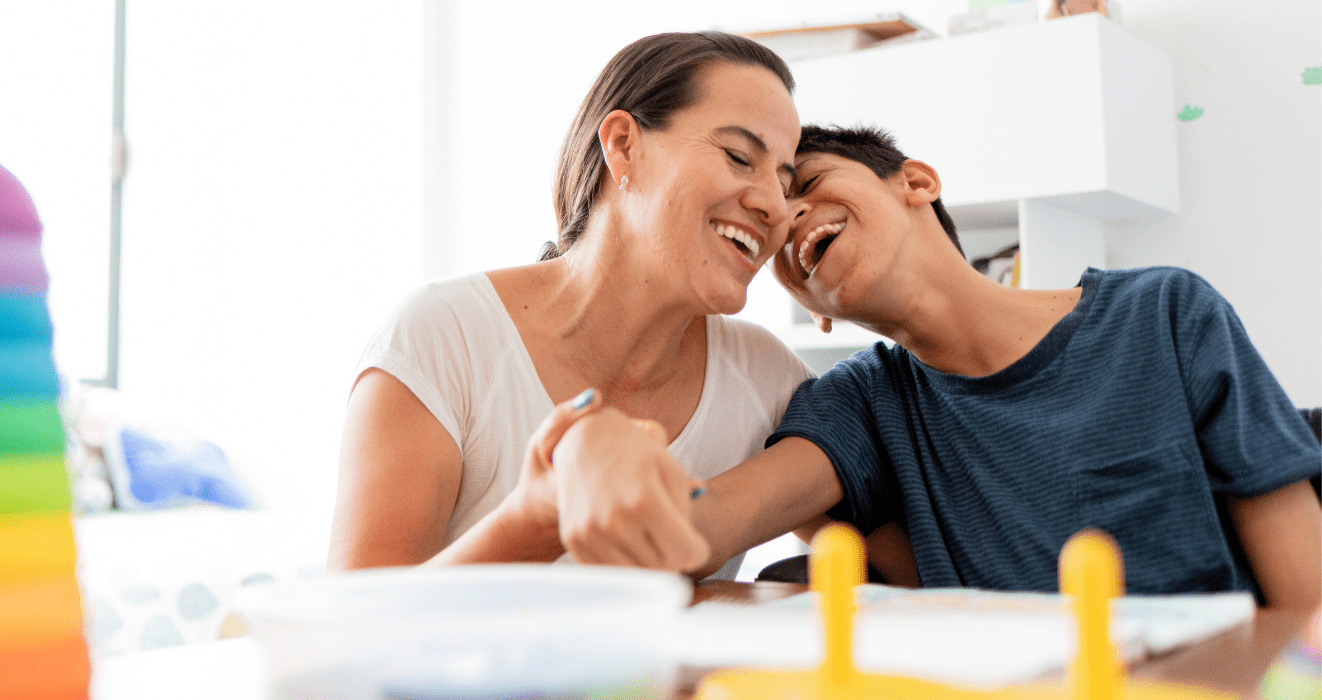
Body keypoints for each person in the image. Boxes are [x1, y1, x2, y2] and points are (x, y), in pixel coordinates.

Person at [558, 124, 1322, 608]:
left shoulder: (1164, 314)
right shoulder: (860, 402)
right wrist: (593, 451)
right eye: (772, 228)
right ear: (814, 311)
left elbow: (1307, 603)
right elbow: (705, 524)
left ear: (916, 182)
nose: (786, 218)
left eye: (809, 184)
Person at [326, 31, 814, 579]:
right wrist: (535, 517)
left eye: (785, 180)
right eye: (738, 156)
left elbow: (899, 549)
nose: (775, 205)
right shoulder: (441, 337)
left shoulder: (767, 380)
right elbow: (350, 630)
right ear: (624, 145)